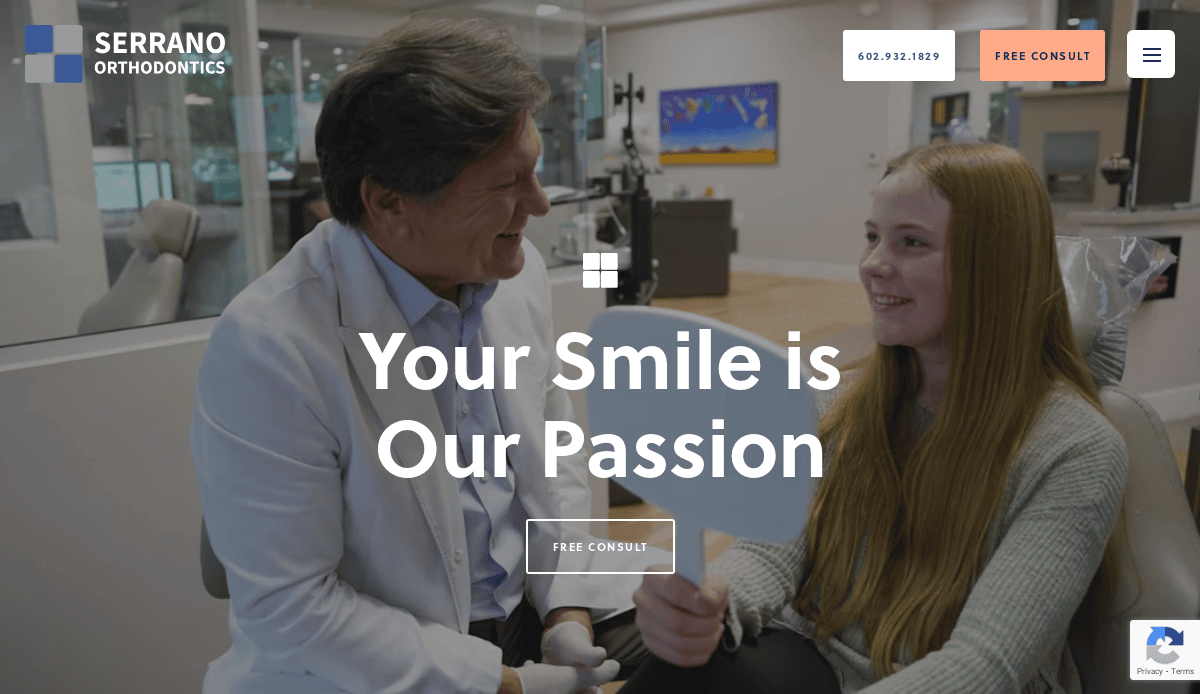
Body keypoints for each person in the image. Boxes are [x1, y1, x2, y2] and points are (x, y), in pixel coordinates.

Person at [191, 16, 648, 694]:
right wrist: (505, 685)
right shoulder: (270, 345)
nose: (540, 203)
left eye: (535, 172)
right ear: (389, 202)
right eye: (507, 184)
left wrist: (568, 608)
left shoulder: (512, 276)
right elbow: (292, 608)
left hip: (532, 607)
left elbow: (557, 463)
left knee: (726, 656)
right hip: (387, 655)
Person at [623, 141, 1128, 693]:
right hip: (820, 662)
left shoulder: (1075, 449)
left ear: (997, 265)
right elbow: (768, 560)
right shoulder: (837, 404)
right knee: (684, 669)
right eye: (872, 237)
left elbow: (984, 665)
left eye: (912, 243)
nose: (871, 266)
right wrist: (709, 607)